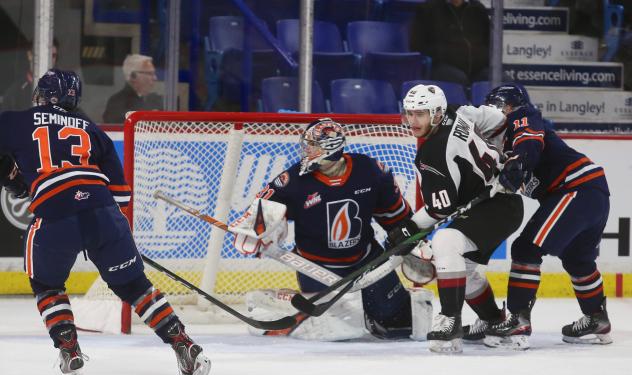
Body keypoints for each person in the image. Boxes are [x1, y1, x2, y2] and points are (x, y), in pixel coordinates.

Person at [0, 69, 210, 375]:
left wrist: (10, 175)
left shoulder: (14, 120)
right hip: (104, 211)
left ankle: (69, 347)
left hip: (55, 212)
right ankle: (182, 343)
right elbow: (122, 196)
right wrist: (112, 236)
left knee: (47, 284)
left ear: (41, 95)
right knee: (134, 286)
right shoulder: (91, 128)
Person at [229, 118, 434, 341]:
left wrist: (414, 240)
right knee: (337, 329)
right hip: (315, 267)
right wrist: (254, 231)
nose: (306, 151)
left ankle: (400, 301)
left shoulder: (370, 171)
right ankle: (284, 301)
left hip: (367, 261)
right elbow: (262, 210)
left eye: (313, 146)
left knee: (398, 324)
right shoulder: (293, 180)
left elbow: (397, 217)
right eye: (306, 145)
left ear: (331, 148)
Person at [388, 84, 524, 353]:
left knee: (446, 241)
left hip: (496, 205)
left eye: (420, 114)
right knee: (466, 269)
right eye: (410, 113)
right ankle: (494, 320)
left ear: (436, 114)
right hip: (500, 201)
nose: (413, 121)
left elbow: (440, 210)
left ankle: (451, 320)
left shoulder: (434, 152)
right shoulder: (457, 112)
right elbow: (499, 120)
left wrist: (409, 228)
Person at [482, 84, 612, 349]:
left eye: (499, 107)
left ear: (510, 107)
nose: (494, 113)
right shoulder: (497, 144)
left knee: (526, 248)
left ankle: (517, 319)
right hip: (591, 192)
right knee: (578, 260)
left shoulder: (523, 117)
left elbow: (528, 143)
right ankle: (597, 318)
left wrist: (518, 162)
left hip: (576, 188)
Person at [409, 0, 490, 86]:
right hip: (441, 66)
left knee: (501, 80)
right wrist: (444, 53)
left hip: (478, 69)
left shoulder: (478, 8)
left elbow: (490, 43)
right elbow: (416, 45)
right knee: (459, 79)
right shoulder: (428, 8)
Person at [102, 54, 162, 123]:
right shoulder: (117, 103)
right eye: (150, 73)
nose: (155, 78)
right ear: (133, 76)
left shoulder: (156, 100)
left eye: (154, 73)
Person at [2, 39, 58, 111]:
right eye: (43, 54)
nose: (48, 60)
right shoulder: (14, 94)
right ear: (30, 55)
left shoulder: (64, 91)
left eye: (53, 56)